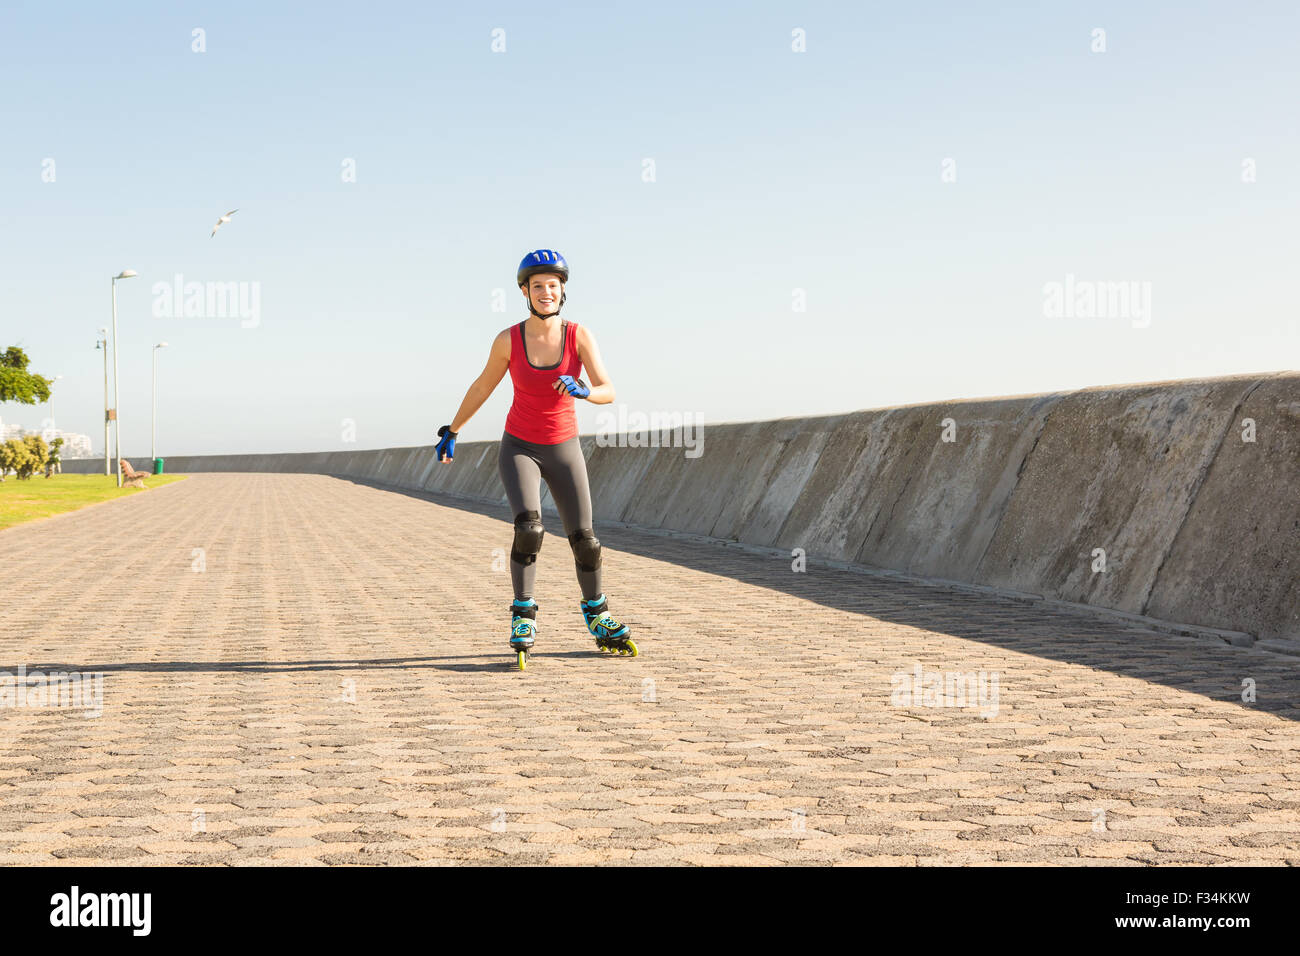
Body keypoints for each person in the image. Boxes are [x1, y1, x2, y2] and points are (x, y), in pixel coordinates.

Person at [434, 249, 635, 666]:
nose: (547, 292)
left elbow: (608, 389)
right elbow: (482, 386)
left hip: (564, 448)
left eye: (553, 285)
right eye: (538, 286)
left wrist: (583, 391)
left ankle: (599, 616)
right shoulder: (509, 339)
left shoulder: (579, 335)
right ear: (525, 291)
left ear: (563, 291)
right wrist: (453, 430)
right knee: (530, 529)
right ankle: (523, 615)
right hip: (520, 446)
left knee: (586, 540)